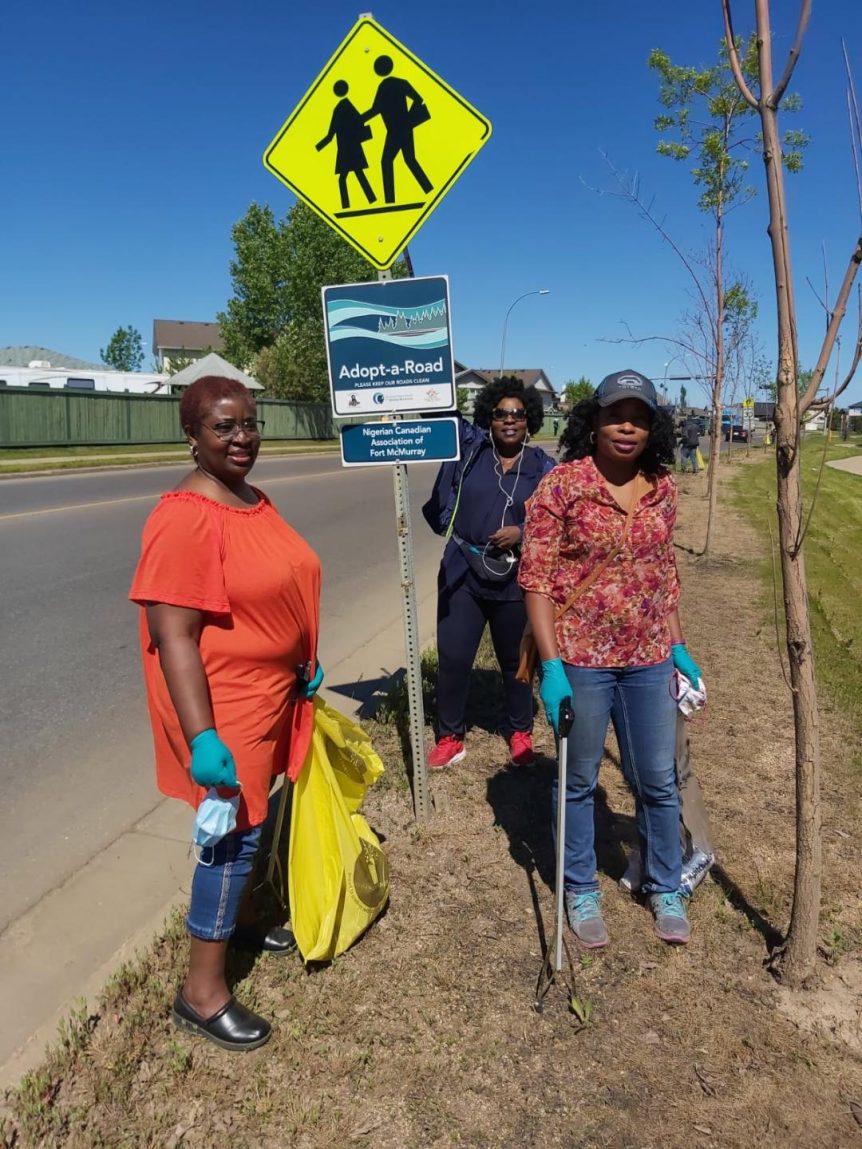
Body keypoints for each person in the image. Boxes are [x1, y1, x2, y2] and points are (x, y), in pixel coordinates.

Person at [129, 376, 323, 1051]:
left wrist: (302, 654)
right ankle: (201, 994)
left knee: (251, 823)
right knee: (230, 839)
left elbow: (275, 582)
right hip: (225, 703)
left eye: (249, 423)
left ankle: (232, 920)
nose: (242, 438)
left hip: (271, 693)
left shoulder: (247, 497)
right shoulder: (185, 513)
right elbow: (173, 633)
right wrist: (203, 735)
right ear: (192, 434)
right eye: (223, 427)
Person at [519, 369, 703, 947]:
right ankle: (579, 886)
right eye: (616, 415)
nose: (628, 426)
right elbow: (538, 581)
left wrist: (677, 644)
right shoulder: (562, 486)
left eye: (641, 417)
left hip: (648, 658)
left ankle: (664, 883)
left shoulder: (663, 487)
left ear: (654, 427)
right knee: (577, 780)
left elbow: (662, 574)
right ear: (592, 421)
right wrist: (551, 669)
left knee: (658, 779)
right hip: (581, 660)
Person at [422, 377, 555, 769]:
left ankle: (519, 731)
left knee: (516, 662)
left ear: (530, 419)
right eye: (500, 414)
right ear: (489, 418)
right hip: (463, 570)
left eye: (517, 414)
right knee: (453, 658)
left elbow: (558, 519)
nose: (509, 420)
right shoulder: (471, 450)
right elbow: (442, 415)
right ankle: (450, 736)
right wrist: (424, 370)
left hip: (515, 577)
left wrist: (523, 531)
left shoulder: (544, 467)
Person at [316, 79, 377, 211]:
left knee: (343, 179)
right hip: (353, 148)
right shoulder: (349, 106)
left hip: (345, 150)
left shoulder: (339, 109)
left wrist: (317, 147)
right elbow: (360, 122)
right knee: (358, 174)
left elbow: (330, 135)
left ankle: (346, 206)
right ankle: (371, 199)